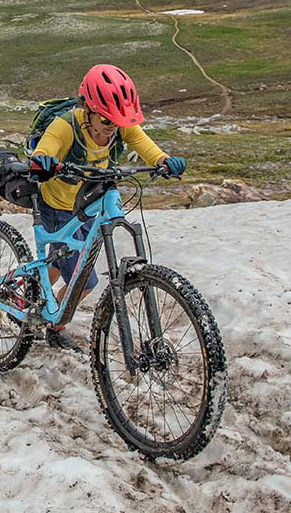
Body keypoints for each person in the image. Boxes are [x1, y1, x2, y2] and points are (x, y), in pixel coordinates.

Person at [29, 63, 186, 351]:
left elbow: (143, 142)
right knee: (84, 280)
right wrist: (44, 160)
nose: (112, 126)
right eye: (106, 120)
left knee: (63, 259)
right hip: (58, 204)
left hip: (88, 201)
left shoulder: (117, 124)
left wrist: (163, 160)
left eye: (117, 121)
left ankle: (32, 288)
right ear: (87, 107)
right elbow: (46, 147)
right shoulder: (66, 125)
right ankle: (56, 324)